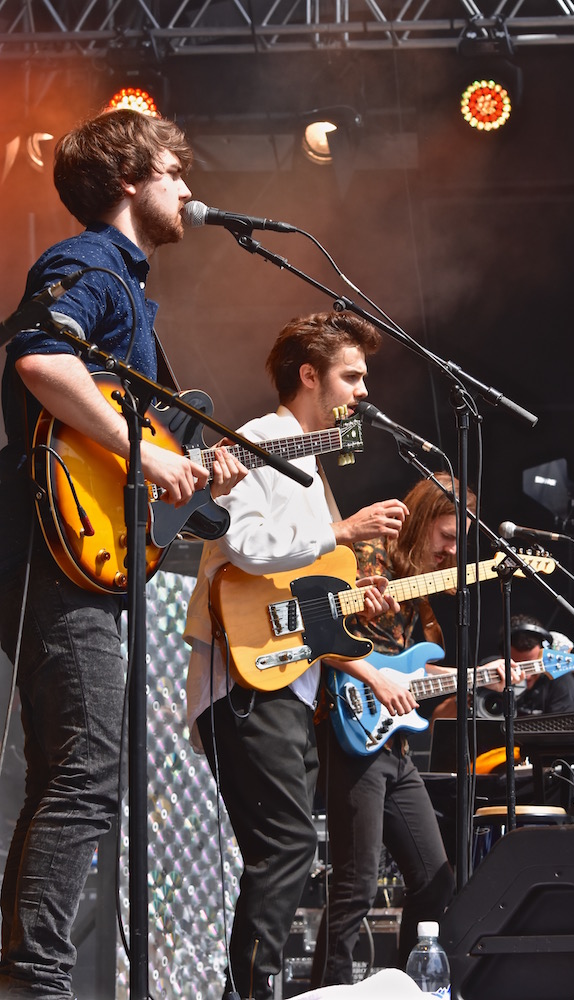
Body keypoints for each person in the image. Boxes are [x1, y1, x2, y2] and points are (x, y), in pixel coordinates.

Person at [0, 109, 247, 999]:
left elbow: (131, 442)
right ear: (132, 177)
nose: (187, 189)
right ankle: (35, 982)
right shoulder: (91, 265)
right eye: (174, 171)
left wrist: (189, 472)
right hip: (58, 561)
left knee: (83, 772)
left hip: (94, 555)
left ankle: (37, 976)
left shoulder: (127, 287)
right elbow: (37, 359)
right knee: (83, 772)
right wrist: (147, 454)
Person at [183, 310, 411, 1000]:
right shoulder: (260, 440)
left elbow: (291, 591)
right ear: (309, 375)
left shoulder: (309, 456)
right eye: (352, 375)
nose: (363, 391)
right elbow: (246, 546)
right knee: (285, 849)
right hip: (247, 684)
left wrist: (352, 604)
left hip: (287, 682)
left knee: (282, 850)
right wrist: (342, 529)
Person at [309, 473, 519, 988]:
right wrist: (361, 618)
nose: (452, 552)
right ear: (422, 520)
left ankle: (404, 990)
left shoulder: (418, 597)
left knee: (435, 879)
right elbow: (322, 632)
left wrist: (484, 677)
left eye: (459, 544)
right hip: (350, 732)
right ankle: (328, 992)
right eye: (447, 538)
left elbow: (406, 668)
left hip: (395, 746)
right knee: (355, 888)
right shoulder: (366, 557)